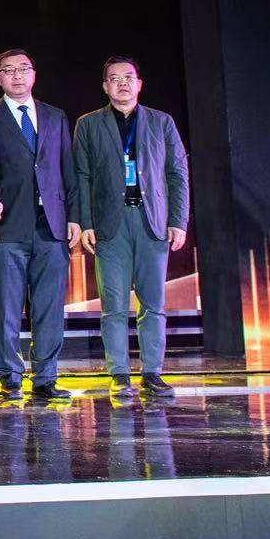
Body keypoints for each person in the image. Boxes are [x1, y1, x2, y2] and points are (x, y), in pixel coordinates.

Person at [73, 56, 190, 400]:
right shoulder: (88, 124)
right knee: (113, 303)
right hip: (110, 224)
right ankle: (119, 374)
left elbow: (177, 174)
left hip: (152, 221)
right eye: (114, 78)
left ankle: (152, 372)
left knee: (153, 302)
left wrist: (178, 220)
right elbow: (81, 176)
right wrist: (86, 222)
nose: (122, 83)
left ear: (139, 83)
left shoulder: (161, 122)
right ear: (105, 86)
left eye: (128, 77)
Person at [0, 49, 79, 401]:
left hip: (52, 226)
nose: (17, 76)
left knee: (50, 306)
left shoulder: (55, 116)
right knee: (8, 305)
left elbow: (68, 171)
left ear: (33, 74)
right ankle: (10, 375)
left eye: (23, 69)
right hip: (7, 227)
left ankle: (46, 377)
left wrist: (74, 217)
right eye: (9, 70)